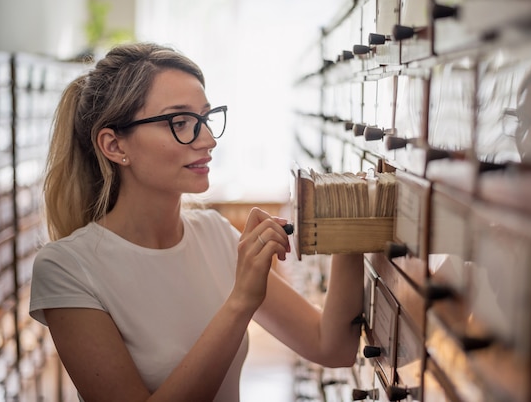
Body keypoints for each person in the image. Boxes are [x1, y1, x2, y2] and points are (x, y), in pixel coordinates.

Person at [28, 42, 363, 401]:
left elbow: (331, 346)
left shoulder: (215, 235)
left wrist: (353, 224)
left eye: (205, 118)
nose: (207, 140)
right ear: (114, 146)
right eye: (181, 122)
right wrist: (240, 302)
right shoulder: (67, 268)